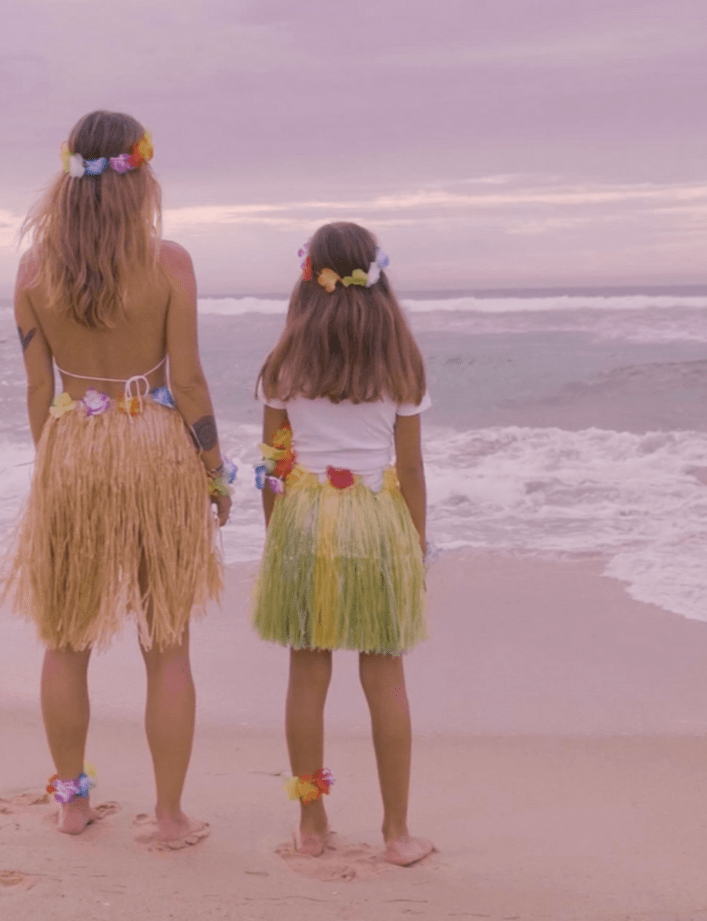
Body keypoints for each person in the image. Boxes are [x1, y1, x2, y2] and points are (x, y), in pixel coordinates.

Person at [2, 111, 231, 847]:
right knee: (166, 642)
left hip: (74, 449)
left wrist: (53, 460)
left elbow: (38, 389)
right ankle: (168, 816)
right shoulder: (170, 264)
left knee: (64, 638)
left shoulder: (34, 272)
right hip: (154, 448)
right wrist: (214, 471)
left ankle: (71, 801)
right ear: (143, 178)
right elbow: (187, 381)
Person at [252, 221, 434, 866]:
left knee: (308, 670)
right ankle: (396, 834)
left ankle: (311, 825)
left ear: (309, 279)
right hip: (377, 522)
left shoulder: (284, 361)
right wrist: (416, 546)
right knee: (385, 676)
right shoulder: (401, 361)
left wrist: (278, 533)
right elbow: (410, 471)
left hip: (305, 519)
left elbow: (273, 461)